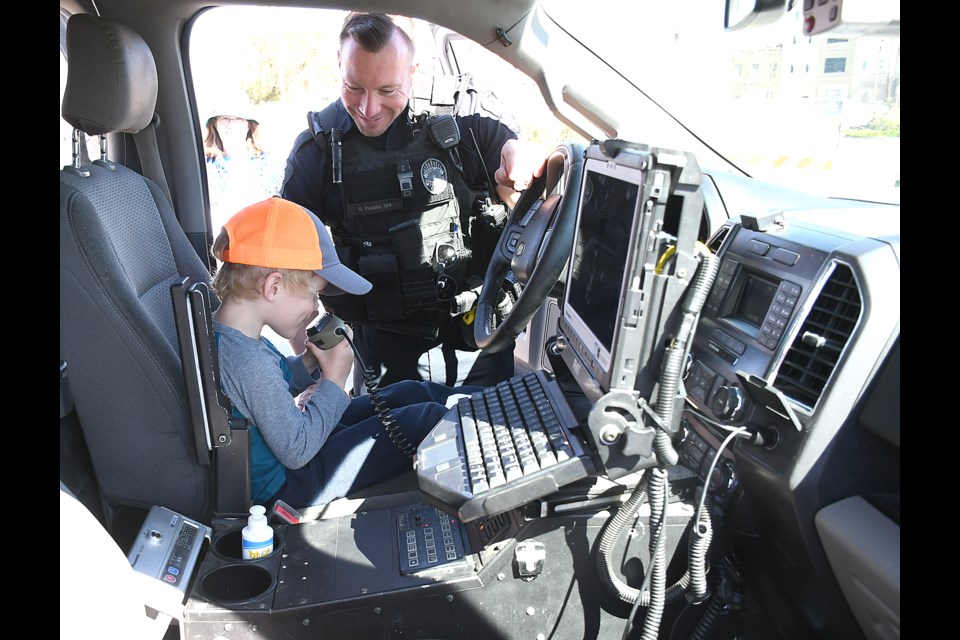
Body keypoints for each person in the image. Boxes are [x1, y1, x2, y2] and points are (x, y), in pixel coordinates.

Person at [281, 12, 546, 389]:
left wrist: (519, 165)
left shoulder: (464, 118)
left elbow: (517, 162)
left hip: (478, 340)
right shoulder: (320, 150)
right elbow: (284, 266)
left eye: (387, 90)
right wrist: (316, 378)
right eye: (353, 87)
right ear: (339, 64)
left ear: (413, 71)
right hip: (383, 353)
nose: (368, 109)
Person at [210, 196, 478, 508]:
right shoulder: (249, 361)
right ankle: (498, 431)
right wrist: (335, 380)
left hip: (291, 457)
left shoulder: (234, 339)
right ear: (273, 287)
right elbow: (296, 450)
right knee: (422, 420)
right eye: (314, 295)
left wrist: (310, 362)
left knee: (407, 392)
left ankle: (495, 407)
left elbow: (270, 389)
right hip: (287, 486)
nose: (315, 309)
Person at [204, 103, 285, 232]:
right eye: (225, 119)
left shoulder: (270, 165)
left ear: (248, 125)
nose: (230, 125)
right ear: (215, 124)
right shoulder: (205, 167)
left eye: (238, 119)